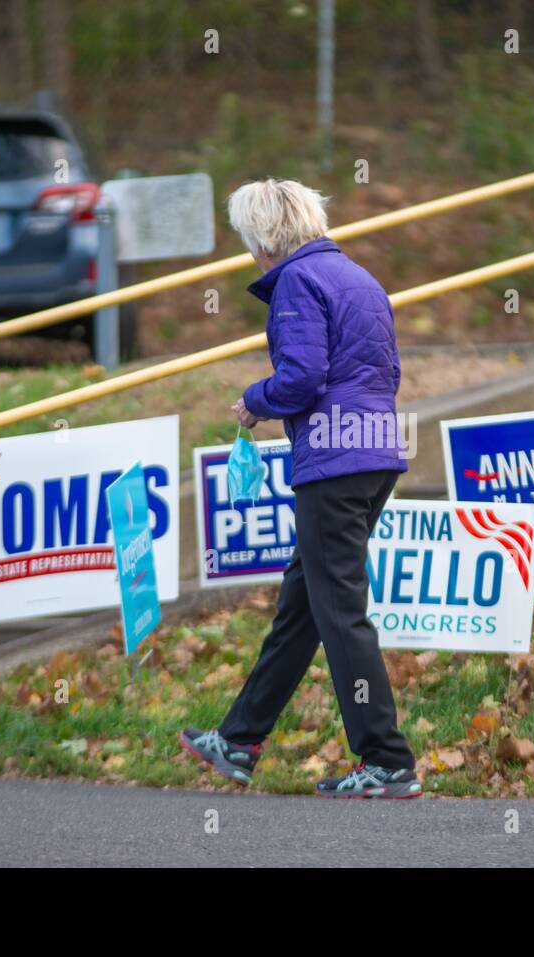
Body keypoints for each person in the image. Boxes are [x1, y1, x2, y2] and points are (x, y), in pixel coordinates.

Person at [180, 178, 420, 799]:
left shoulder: (295, 282)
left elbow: (304, 376)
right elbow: (383, 369)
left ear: (263, 237)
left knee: (339, 611)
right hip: (376, 451)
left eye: (245, 238)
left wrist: (255, 400)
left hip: (334, 463)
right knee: (305, 606)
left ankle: (388, 759)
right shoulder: (360, 278)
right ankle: (239, 738)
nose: (247, 251)